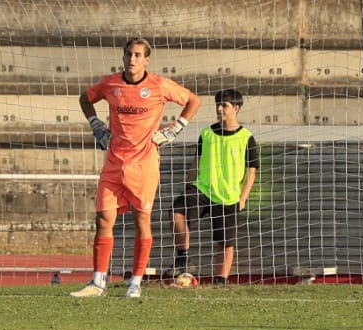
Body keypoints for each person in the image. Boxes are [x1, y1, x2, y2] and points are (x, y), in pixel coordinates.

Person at [71, 37, 201, 299]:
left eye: (138, 55)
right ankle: (97, 282)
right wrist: (96, 124)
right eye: (129, 54)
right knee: (103, 219)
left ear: (147, 60)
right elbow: (85, 99)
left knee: (142, 221)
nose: (132, 59)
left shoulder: (158, 85)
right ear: (123, 57)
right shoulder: (111, 84)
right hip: (114, 162)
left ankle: (136, 282)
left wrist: (175, 129)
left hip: (144, 164)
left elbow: (193, 101)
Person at [171, 88, 259, 285]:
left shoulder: (247, 138)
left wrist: (243, 198)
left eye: (224, 105)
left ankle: (221, 279)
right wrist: (190, 182)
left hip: (228, 195)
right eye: (217, 105)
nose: (219, 109)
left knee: (225, 242)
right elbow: (197, 161)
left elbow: (251, 172)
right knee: (177, 212)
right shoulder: (206, 134)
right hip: (202, 189)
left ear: (236, 108)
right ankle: (183, 257)